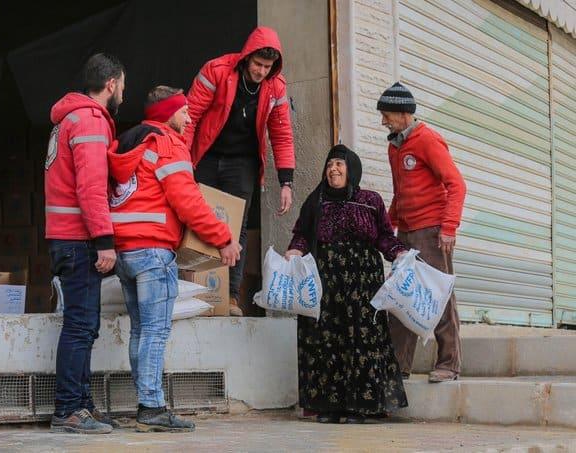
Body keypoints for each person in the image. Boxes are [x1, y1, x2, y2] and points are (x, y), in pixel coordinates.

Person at [108, 86, 241, 432]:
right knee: (155, 330)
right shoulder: (168, 145)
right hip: (153, 251)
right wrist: (223, 237)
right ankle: (151, 407)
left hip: (124, 251)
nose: (189, 117)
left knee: (141, 329)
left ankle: (146, 402)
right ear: (168, 113)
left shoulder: (127, 144)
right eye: (184, 111)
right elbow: (189, 202)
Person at [286, 144, 408, 424]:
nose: (333, 169)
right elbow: (302, 234)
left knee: (361, 341)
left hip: (363, 281)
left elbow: (383, 237)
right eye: (329, 165)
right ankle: (329, 406)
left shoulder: (370, 200)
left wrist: (398, 252)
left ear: (352, 168)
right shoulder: (316, 201)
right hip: (327, 280)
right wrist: (294, 250)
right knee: (326, 340)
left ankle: (361, 406)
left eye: (339, 164)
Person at [186, 26, 295, 316]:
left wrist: (286, 182)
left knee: (237, 228)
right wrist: (183, 161)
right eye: (257, 64)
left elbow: (282, 135)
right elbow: (191, 116)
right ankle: (192, 293)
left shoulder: (276, 87)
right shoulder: (216, 70)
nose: (261, 71)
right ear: (246, 57)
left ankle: (231, 296)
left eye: (267, 67)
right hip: (207, 156)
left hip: (243, 162)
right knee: (198, 220)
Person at [46, 53, 125, 434]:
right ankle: (68, 409)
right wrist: (105, 241)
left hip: (64, 237)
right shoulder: (91, 120)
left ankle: (82, 405)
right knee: (80, 325)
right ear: (111, 84)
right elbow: (91, 187)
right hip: (78, 239)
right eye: (122, 83)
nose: (123, 90)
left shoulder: (67, 119)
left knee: (84, 324)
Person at [377, 82, 467, 383]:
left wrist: (449, 227)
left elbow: (457, 184)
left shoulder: (427, 140)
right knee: (402, 297)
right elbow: (400, 192)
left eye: (387, 115)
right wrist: (388, 225)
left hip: (432, 231)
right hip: (406, 232)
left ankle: (449, 363)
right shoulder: (395, 146)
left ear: (404, 114)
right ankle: (398, 364)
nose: (383, 121)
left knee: (438, 298)